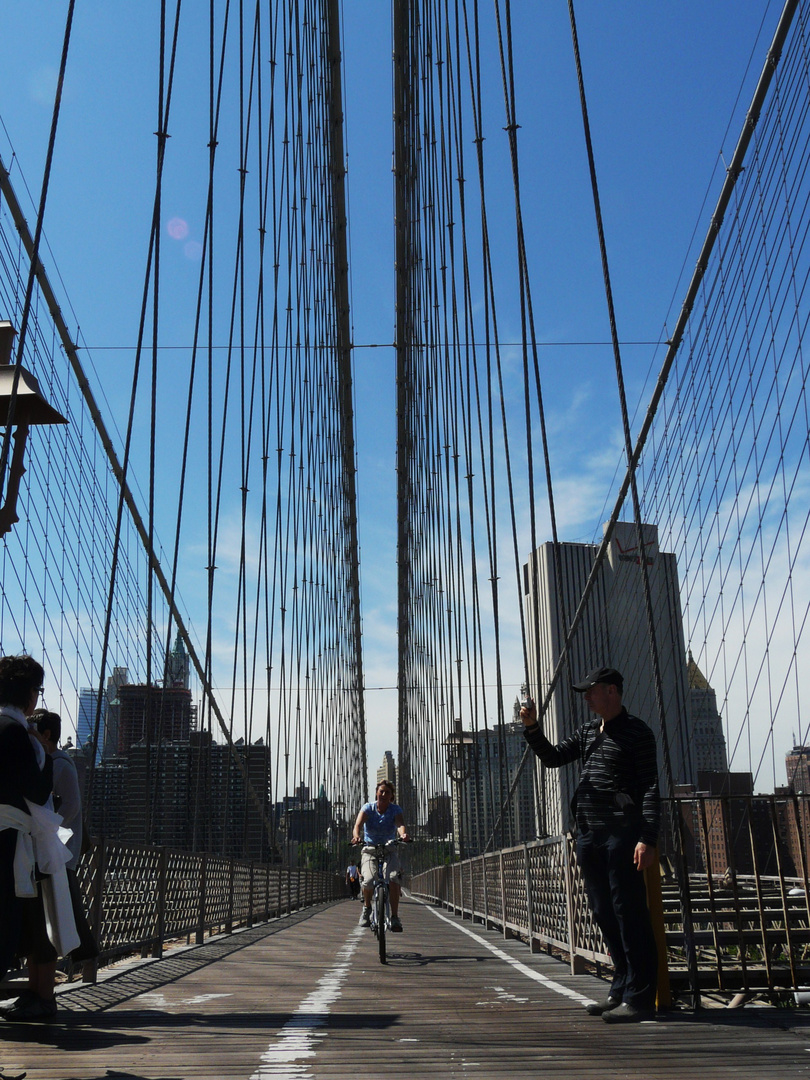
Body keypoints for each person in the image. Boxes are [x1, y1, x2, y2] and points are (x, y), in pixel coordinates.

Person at [520, 666, 660, 1023]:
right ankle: (621, 986)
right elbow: (552, 759)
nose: (586, 697)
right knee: (602, 912)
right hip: (588, 835)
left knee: (629, 913)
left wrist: (647, 837)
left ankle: (640, 997)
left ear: (611, 691)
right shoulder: (586, 732)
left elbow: (649, 787)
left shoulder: (637, 732)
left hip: (622, 835)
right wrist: (532, 726)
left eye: (591, 690)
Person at [0, 656, 60, 1021]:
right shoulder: (15, 733)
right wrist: (48, 757)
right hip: (6, 844)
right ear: (30, 696)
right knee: (4, 934)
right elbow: (37, 793)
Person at [34, 710, 98, 967]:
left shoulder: (59, 763)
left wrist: (47, 830)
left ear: (46, 735)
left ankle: (81, 954)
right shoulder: (53, 762)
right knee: (59, 908)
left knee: (63, 908)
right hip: (56, 849)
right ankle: (79, 955)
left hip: (58, 849)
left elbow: (71, 806)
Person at [351, 780, 410, 931]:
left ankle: (395, 917)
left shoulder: (395, 810)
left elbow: (399, 825)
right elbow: (357, 825)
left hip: (389, 849)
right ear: (376, 793)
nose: (383, 794)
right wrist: (357, 836)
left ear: (391, 797)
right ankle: (366, 908)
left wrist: (403, 835)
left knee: (393, 879)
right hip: (370, 849)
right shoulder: (368, 808)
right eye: (381, 791)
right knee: (369, 881)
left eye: (387, 792)